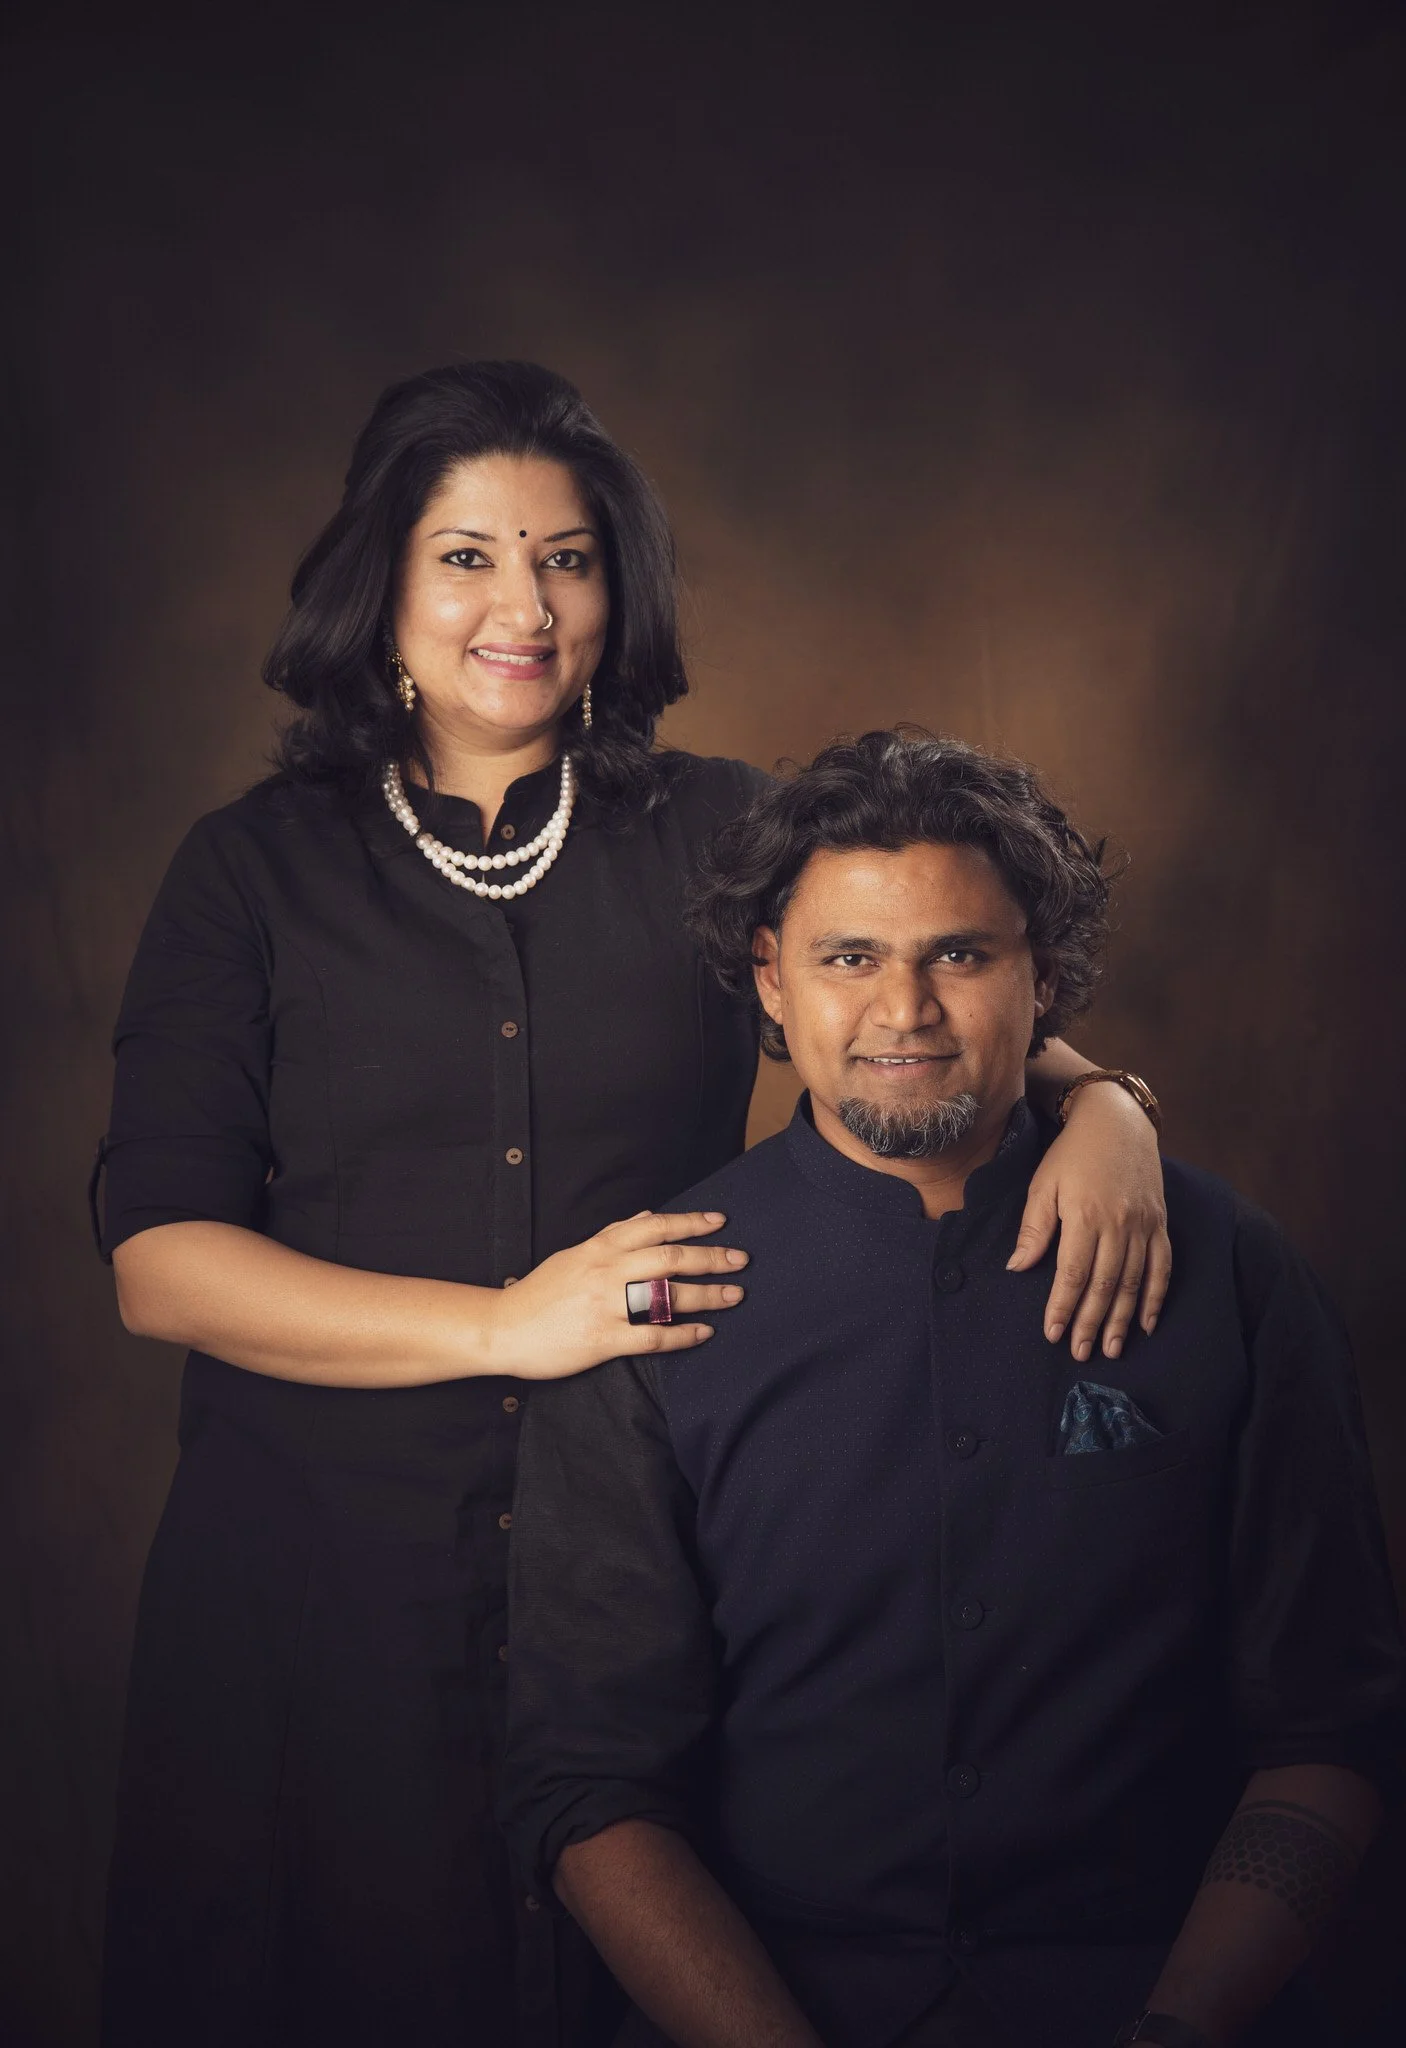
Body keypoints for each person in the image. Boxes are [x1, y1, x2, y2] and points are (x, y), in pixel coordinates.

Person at [94, 366, 1169, 2048]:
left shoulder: (714, 827)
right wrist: (506, 1326)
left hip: (658, 1569)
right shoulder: (249, 872)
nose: (520, 606)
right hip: (318, 1599)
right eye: (465, 557)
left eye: (568, 557)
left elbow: (903, 1009)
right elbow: (161, 1266)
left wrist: (1104, 1105)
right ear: (379, 585)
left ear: (621, 587)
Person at [500, 730, 1406, 2048]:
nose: (903, 1012)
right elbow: (588, 1789)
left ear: (1044, 977)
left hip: (1164, 1997)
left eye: (959, 956)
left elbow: (1331, 1725)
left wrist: (1177, 2030)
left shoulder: (1231, 1273)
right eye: (848, 957)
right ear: (770, 980)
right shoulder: (646, 1302)